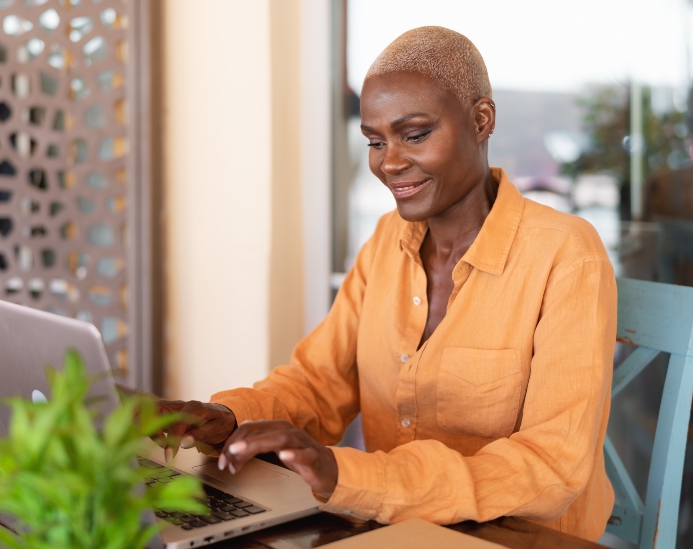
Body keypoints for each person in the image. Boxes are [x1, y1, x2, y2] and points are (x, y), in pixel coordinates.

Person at [157, 27, 615, 541]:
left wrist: (348, 474)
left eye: (415, 134)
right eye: (375, 141)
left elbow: (551, 465)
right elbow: (319, 382)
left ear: (481, 120)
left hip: (519, 537)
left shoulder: (567, 254)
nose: (389, 162)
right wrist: (227, 416)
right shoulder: (386, 240)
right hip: (394, 527)